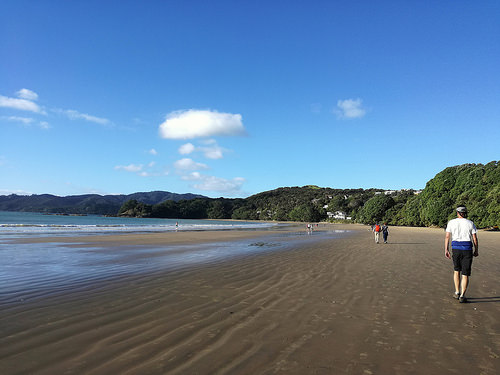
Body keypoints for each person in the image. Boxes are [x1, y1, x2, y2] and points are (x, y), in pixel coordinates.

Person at [444, 206, 479, 303]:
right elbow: (474, 238)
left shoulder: (451, 222)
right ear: (465, 213)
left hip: (456, 248)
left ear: (457, 213)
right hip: (467, 248)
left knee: (456, 270)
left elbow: (447, 237)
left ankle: (457, 292)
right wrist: (476, 250)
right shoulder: (470, 223)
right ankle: (463, 295)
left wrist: (446, 249)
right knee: (465, 273)